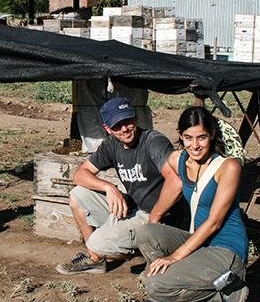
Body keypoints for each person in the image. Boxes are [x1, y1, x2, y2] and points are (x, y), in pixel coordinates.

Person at [136, 106, 249, 302]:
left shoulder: (228, 167)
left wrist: (174, 257)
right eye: (188, 138)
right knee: (147, 232)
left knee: (154, 285)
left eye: (201, 137)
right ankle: (178, 284)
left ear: (213, 135)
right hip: (199, 243)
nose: (195, 145)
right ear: (180, 135)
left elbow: (215, 223)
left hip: (226, 248)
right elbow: (167, 168)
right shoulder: (179, 160)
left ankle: (226, 293)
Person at [56, 97, 181, 275]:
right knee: (78, 196)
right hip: (132, 206)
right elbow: (80, 174)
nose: (124, 129)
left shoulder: (153, 141)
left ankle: (153, 248)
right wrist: (109, 187)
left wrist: (155, 216)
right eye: (117, 125)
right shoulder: (111, 145)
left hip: (156, 215)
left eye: (128, 121)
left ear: (135, 118)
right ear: (107, 128)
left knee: (97, 243)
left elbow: (176, 181)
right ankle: (96, 260)